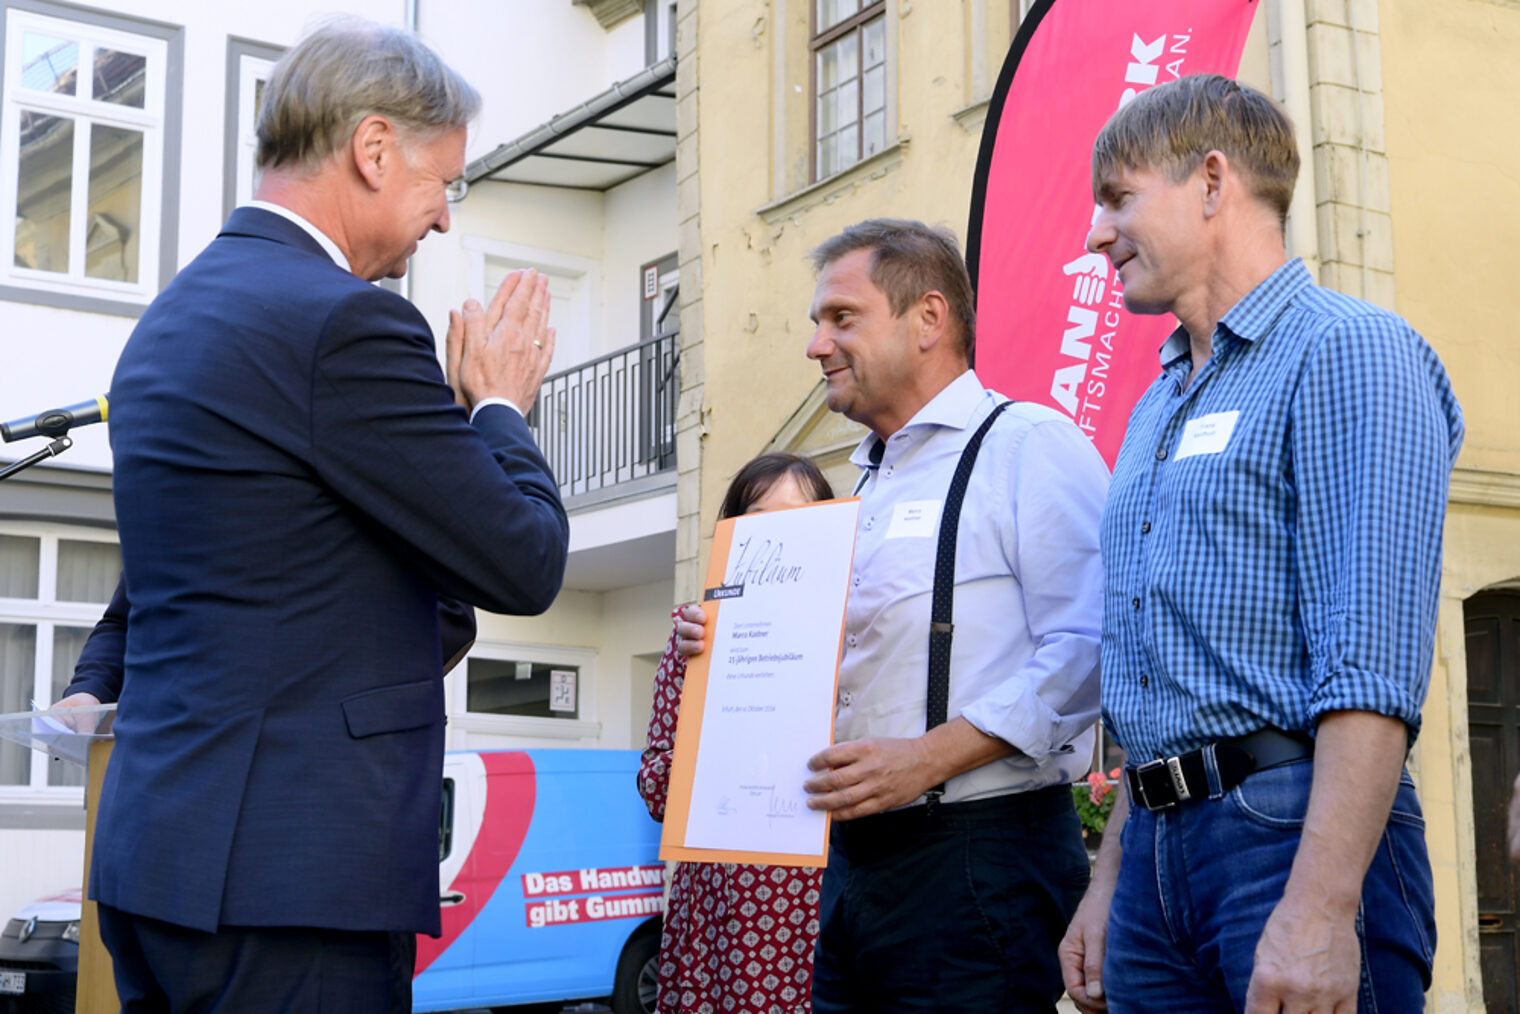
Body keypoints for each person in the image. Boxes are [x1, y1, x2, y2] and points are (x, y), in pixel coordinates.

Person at [90, 19, 570, 1012]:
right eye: (445, 183)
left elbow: (277, 577)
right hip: (290, 886)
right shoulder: (345, 322)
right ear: (373, 149)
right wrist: (497, 408)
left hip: (158, 862)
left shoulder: (170, 322)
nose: (442, 221)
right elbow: (523, 560)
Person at [1058, 74, 1464, 1014]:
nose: (1094, 234)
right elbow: (1169, 689)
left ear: (1211, 182)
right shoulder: (1158, 400)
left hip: (1288, 841)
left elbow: (1371, 665)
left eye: (1117, 198)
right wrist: (1112, 879)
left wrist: (1323, 908)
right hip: (1157, 853)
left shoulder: (1350, 350)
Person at [678, 220, 1107, 1011]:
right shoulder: (866, 486)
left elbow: (1092, 649)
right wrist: (728, 643)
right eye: (818, 323)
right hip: (852, 870)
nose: (816, 345)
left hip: (979, 860)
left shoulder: (1029, 446)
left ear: (929, 319)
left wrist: (930, 757)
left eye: (841, 318)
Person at [639, 452, 834, 1014]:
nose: (780, 534)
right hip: (718, 917)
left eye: (800, 518)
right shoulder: (694, 635)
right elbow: (655, 788)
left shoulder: (858, 631)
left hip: (820, 904)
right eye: (760, 517)